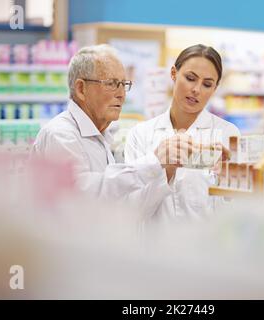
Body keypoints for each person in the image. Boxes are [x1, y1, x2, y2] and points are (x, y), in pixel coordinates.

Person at [31, 44, 194, 217]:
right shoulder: (60, 135)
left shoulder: (100, 137)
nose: (121, 94)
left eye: (124, 84)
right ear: (81, 89)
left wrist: (168, 170)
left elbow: (123, 211)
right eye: (111, 84)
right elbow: (81, 197)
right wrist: (154, 162)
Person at [124, 44, 241, 226]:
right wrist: (166, 170)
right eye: (190, 78)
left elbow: (237, 213)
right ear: (173, 73)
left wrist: (228, 184)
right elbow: (132, 210)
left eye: (207, 84)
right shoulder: (141, 134)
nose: (196, 89)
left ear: (215, 88)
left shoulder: (227, 134)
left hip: (207, 250)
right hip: (154, 250)